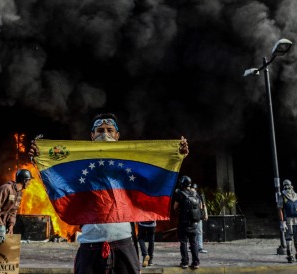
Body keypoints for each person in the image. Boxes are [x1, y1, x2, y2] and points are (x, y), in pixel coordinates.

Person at [29, 112, 189, 274]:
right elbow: (58, 178)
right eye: (100, 130)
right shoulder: (78, 164)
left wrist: (176, 155)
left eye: (109, 130)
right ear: (92, 135)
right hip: (90, 243)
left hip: (123, 242)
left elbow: (153, 177)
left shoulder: (130, 162)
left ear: (117, 135)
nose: (105, 134)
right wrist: (39, 158)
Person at [0, 168, 32, 243]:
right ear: (24, 180)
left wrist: (11, 225)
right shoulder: (6, 189)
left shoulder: (19, 193)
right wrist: (0, 226)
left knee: (2, 253)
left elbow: (13, 211)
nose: (29, 183)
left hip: (3, 226)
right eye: (29, 181)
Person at [173, 175, 203, 269]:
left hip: (184, 222)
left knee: (183, 242)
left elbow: (175, 207)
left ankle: (185, 262)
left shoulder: (180, 193)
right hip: (194, 223)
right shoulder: (195, 193)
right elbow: (200, 206)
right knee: (194, 242)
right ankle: (196, 263)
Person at [191, 184, 208, 254]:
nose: (192, 190)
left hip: (198, 215)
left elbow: (203, 205)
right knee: (192, 231)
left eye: (193, 189)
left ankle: (200, 247)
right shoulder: (189, 196)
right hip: (192, 215)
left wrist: (206, 214)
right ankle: (192, 246)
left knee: (199, 231)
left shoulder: (199, 196)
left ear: (196, 189)